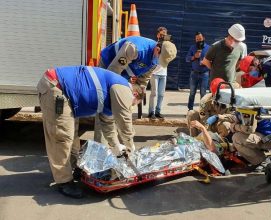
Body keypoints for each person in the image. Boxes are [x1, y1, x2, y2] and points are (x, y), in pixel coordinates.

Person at [36, 66, 141, 198]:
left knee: (71, 134)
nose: (130, 106)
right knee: (62, 136)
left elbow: (108, 124)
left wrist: (116, 145)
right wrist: (130, 146)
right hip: (57, 87)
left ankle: (73, 169)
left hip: (64, 92)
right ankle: (63, 181)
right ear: (135, 94)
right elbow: (124, 120)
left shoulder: (112, 94)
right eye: (133, 104)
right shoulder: (124, 89)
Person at [97, 35, 177, 141]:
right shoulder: (135, 48)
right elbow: (113, 73)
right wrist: (118, 96)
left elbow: (143, 80)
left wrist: (137, 95)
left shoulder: (155, 59)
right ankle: (100, 146)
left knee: (125, 107)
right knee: (106, 104)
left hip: (124, 71)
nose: (159, 62)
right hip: (109, 65)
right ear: (157, 49)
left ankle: (122, 144)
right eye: (160, 59)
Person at [148, 27, 176, 119]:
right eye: (161, 34)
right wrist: (157, 51)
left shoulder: (167, 45)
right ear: (158, 35)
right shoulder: (154, 44)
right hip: (155, 73)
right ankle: (151, 112)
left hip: (163, 73)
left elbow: (170, 56)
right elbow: (152, 58)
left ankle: (158, 112)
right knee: (154, 93)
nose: (163, 36)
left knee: (161, 94)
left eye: (165, 34)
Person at [186, 32, 210, 111]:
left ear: (203, 38)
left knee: (203, 94)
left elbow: (212, 60)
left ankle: (202, 111)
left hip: (204, 74)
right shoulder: (193, 47)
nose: (198, 40)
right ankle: (190, 110)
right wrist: (194, 57)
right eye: (197, 39)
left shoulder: (209, 48)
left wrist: (206, 62)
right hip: (194, 73)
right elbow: (187, 59)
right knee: (192, 93)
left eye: (200, 39)